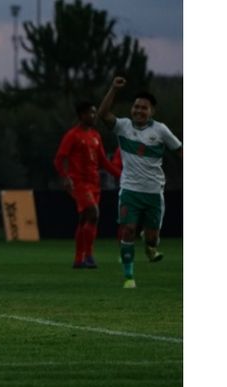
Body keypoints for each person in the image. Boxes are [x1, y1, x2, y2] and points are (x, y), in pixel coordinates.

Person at [98, 76, 182, 288]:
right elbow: (103, 114)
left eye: (144, 108)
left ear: (152, 111)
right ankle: (129, 277)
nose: (138, 111)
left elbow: (180, 150)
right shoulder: (123, 126)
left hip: (154, 192)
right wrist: (113, 89)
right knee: (128, 230)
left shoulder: (161, 130)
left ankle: (150, 244)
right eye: (136, 107)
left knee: (152, 238)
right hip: (130, 190)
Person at [54, 101, 121, 269]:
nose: (94, 116)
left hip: (94, 183)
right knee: (94, 213)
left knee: (85, 219)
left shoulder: (95, 135)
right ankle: (89, 256)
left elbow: (103, 161)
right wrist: (65, 177)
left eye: (95, 112)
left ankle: (79, 259)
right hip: (79, 183)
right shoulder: (73, 135)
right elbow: (59, 158)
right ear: (81, 115)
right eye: (90, 113)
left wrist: (122, 176)